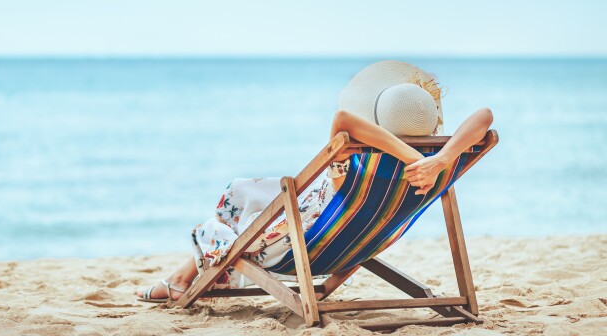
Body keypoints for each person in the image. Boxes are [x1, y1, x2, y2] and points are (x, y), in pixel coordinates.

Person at [137, 61, 494, 303]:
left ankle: (179, 280)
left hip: (297, 248)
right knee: (247, 192)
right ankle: (181, 279)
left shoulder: (364, 159)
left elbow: (344, 118)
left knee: (234, 214)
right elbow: (486, 117)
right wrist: (437, 159)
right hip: (351, 244)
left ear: (378, 120)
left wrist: (420, 160)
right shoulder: (440, 163)